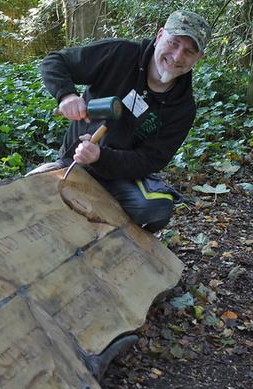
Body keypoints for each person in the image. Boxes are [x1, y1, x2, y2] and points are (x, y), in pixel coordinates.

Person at [40, 10, 211, 232]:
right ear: (159, 36)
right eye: (174, 43)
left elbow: (150, 160)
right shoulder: (120, 54)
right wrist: (67, 95)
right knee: (33, 190)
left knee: (156, 210)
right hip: (75, 158)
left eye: (189, 51)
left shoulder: (183, 108)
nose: (177, 57)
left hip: (120, 176)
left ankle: (118, 240)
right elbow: (55, 61)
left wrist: (101, 157)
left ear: (199, 58)